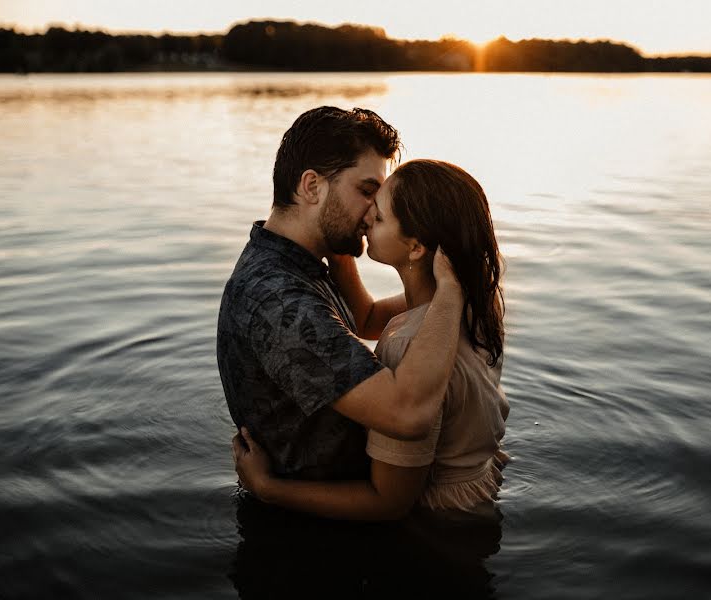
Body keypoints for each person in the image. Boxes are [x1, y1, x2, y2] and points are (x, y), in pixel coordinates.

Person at [233, 159, 509, 520]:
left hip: (440, 524)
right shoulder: (475, 303)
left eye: (378, 219)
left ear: (414, 248)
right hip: (482, 490)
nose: (366, 220)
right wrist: (337, 242)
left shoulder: (409, 349)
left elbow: (387, 502)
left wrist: (268, 488)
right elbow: (365, 318)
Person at [217, 107, 466, 484]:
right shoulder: (277, 298)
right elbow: (407, 415)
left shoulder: (299, 260)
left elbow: (365, 318)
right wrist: (451, 293)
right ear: (312, 187)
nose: (375, 212)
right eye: (367, 191)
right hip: (326, 529)